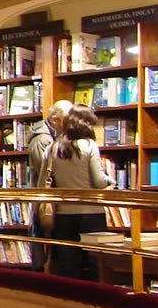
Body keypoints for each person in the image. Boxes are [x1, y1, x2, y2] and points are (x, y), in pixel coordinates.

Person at [40, 103, 114, 280]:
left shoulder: (54, 147)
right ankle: (95, 302)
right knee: (97, 264)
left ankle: (70, 304)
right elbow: (98, 181)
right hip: (91, 213)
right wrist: (111, 180)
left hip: (64, 215)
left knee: (68, 267)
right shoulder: (89, 145)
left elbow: (46, 180)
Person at [27, 99, 72, 269]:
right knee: (45, 251)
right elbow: (44, 173)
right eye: (67, 120)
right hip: (46, 202)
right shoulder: (42, 140)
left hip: (50, 201)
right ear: (55, 120)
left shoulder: (52, 136)